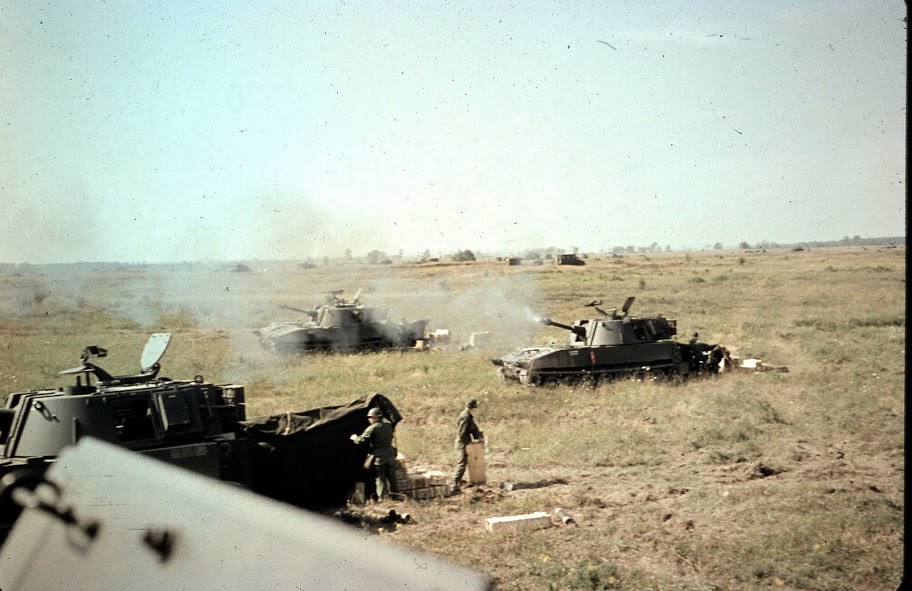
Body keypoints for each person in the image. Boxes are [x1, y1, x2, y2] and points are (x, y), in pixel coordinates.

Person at [350, 407, 397, 502]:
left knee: (380, 479)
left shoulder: (372, 428)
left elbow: (361, 440)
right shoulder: (388, 425)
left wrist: (354, 438)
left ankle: (382, 499)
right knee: (392, 478)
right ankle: (396, 496)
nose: (369, 419)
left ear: (376, 418)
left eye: (371, 417)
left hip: (379, 457)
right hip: (390, 455)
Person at [451, 398, 484, 494]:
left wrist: (478, 436)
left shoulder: (468, 416)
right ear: (472, 408)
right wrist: (467, 444)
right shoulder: (466, 416)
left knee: (463, 462)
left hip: (464, 442)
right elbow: (462, 432)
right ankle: (454, 483)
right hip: (462, 443)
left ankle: (457, 482)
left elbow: (473, 428)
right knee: (462, 463)